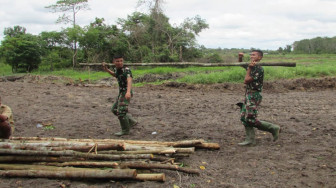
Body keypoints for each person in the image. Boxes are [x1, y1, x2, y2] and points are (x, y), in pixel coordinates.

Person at [238, 50, 280, 146]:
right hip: (248, 94)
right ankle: (250, 140)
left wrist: (249, 68)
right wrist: (240, 57)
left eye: (254, 55)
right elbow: (241, 64)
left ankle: (273, 128)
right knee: (243, 117)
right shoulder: (252, 66)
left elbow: (246, 80)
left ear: (260, 57)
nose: (251, 56)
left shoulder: (258, 69)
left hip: (254, 95)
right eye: (251, 55)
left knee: (250, 119)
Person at [102, 55, 137, 136]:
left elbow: (129, 80)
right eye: (117, 61)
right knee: (114, 109)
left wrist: (128, 92)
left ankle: (125, 130)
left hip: (126, 92)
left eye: (121, 61)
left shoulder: (126, 70)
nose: (119, 62)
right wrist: (107, 69)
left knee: (121, 112)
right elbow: (115, 75)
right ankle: (131, 121)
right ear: (114, 62)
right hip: (121, 92)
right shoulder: (116, 69)